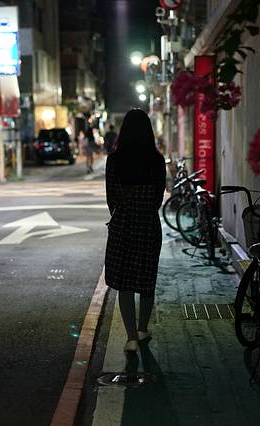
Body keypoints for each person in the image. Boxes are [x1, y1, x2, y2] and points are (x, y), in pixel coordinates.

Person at [104, 109, 166, 353]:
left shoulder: (114, 160)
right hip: (148, 224)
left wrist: (123, 211)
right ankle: (142, 329)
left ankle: (130, 337)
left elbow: (111, 197)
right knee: (147, 279)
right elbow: (158, 198)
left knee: (125, 282)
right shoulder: (157, 160)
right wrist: (144, 207)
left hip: (123, 225)